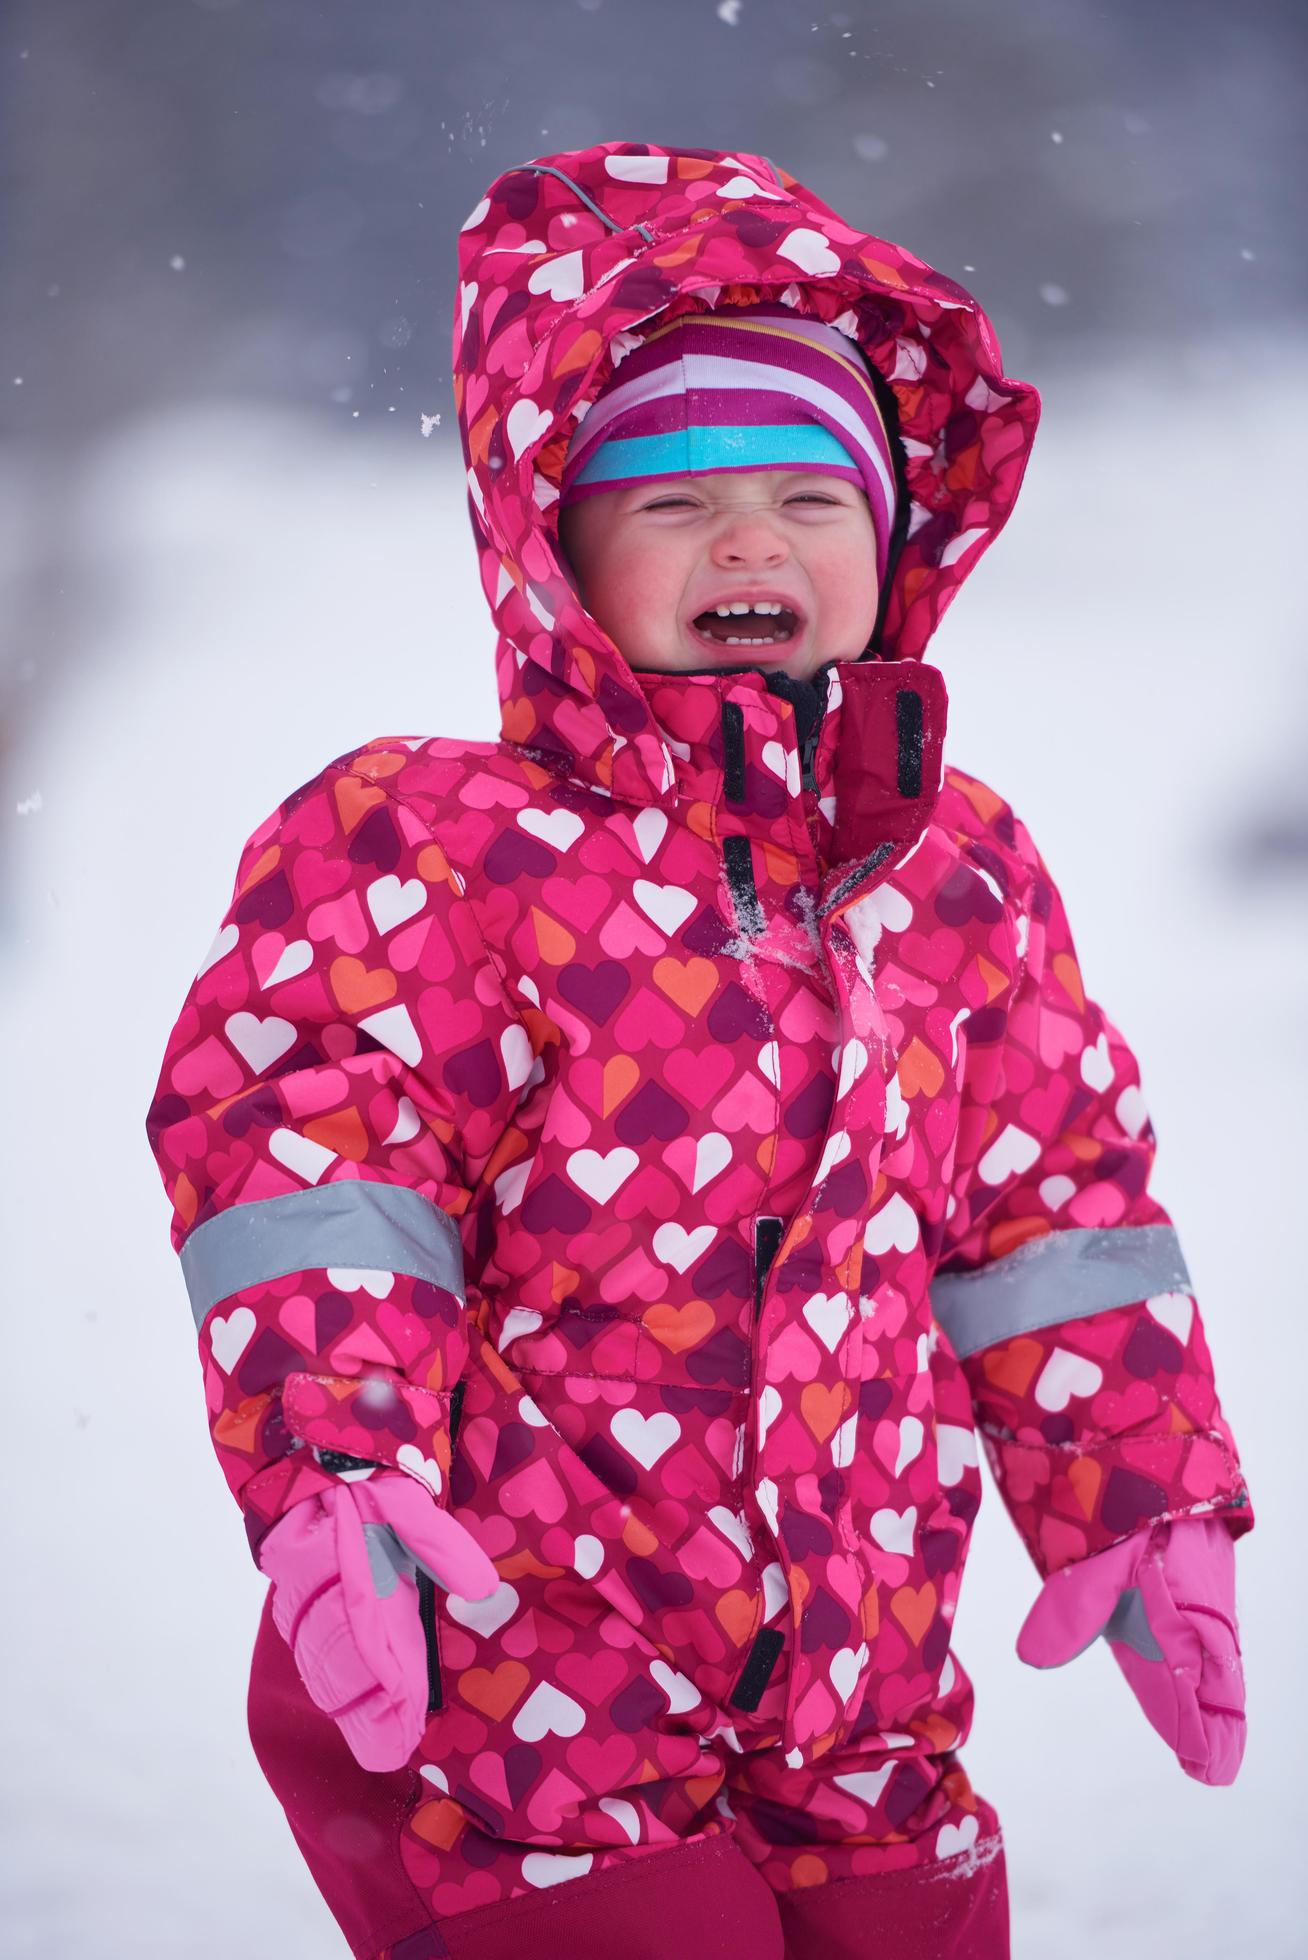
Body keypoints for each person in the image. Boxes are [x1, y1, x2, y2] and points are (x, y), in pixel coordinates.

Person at [145, 143, 1253, 1960]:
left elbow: (1054, 1211)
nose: (749, 540)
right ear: (555, 553)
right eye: (669, 503)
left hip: (867, 1669)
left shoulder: (957, 865)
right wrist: (332, 1461)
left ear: (891, 547)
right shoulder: (433, 842)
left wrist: (1140, 1493)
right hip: (527, 1669)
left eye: (808, 497)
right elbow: (310, 1161)